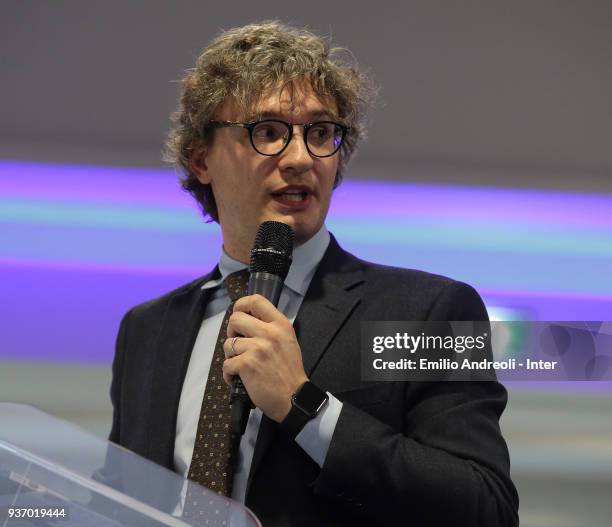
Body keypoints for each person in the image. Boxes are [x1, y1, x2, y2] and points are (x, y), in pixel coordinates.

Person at [108, 21, 519, 526]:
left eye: (321, 133)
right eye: (268, 132)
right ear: (201, 159)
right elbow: (119, 500)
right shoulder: (147, 331)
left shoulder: (431, 313)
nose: (301, 158)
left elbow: (485, 508)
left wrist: (305, 406)